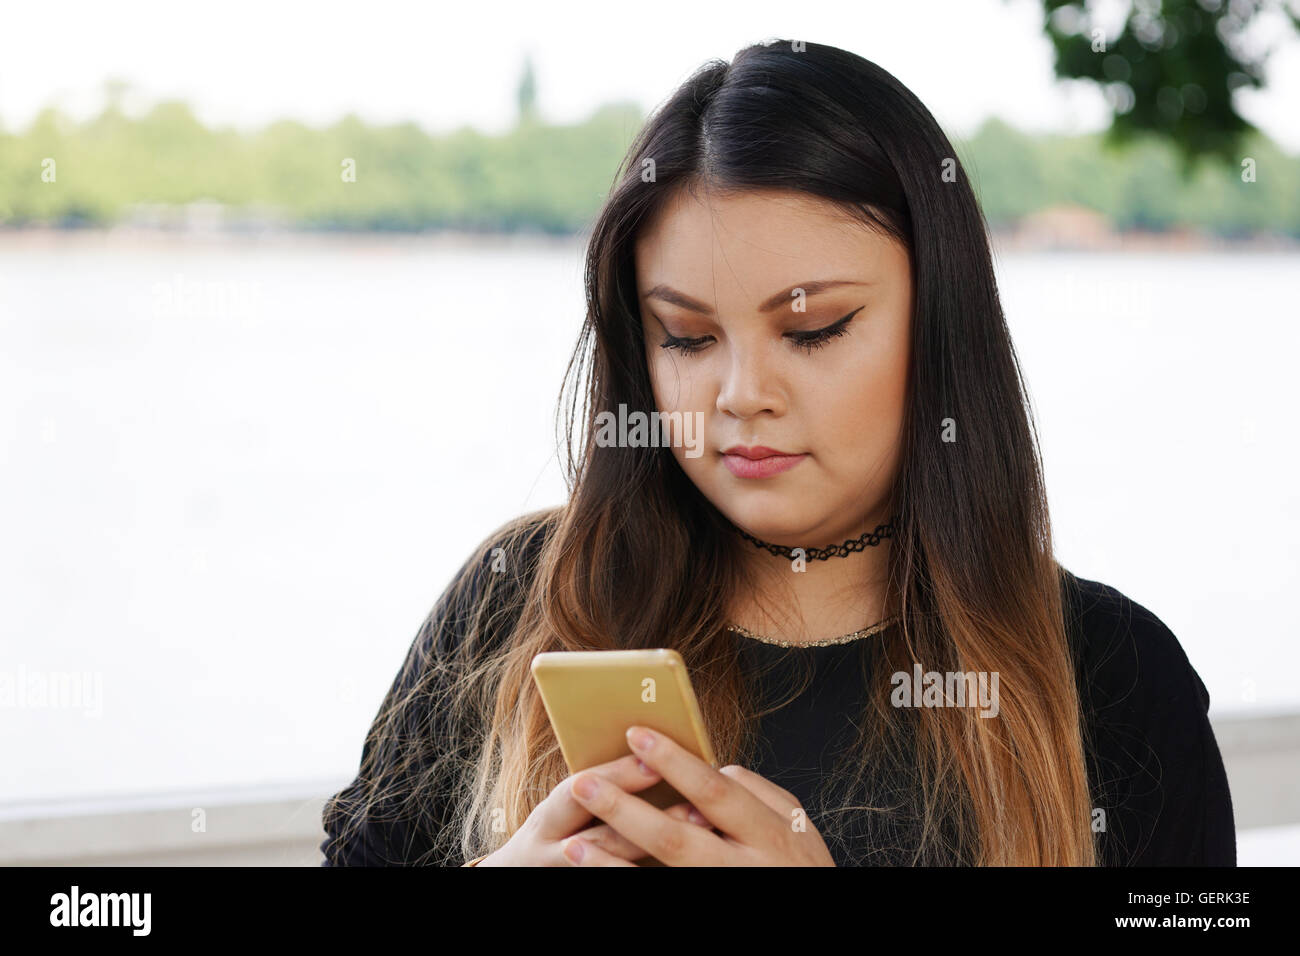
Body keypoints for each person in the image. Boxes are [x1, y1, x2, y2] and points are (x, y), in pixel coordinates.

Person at [320, 38, 1235, 867]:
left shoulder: (1116, 680)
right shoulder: (517, 602)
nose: (739, 394)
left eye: (814, 329)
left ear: (942, 327)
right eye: (684, 337)